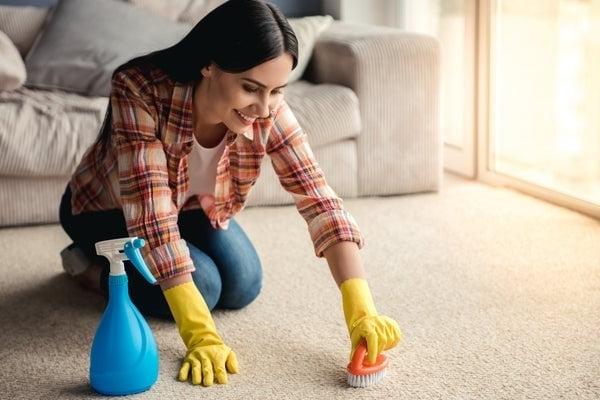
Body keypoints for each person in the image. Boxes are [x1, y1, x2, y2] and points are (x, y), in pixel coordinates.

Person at [59, 0, 401, 388]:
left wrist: (361, 309)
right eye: (250, 88)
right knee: (204, 286)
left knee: (243, 283)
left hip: (190, 207)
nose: (263, 107)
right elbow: (151, 217)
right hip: (106, 210)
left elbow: (317, 196)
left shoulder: (268, 108)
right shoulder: (138, 89)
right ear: (210, 65)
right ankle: (89, 267)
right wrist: (200, 335)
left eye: (276, 91)